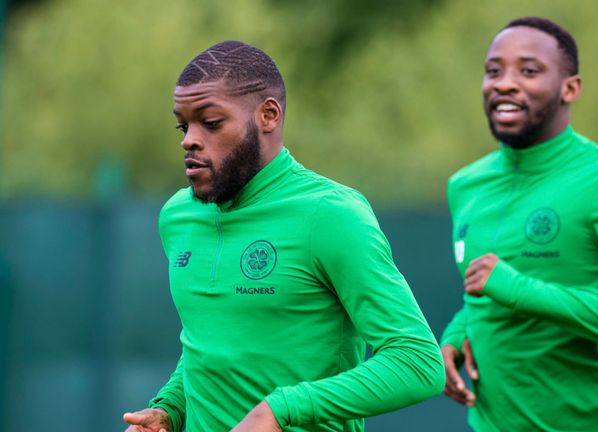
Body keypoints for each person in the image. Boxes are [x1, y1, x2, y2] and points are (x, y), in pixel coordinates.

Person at [123, 40, 444, 432]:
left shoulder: (330, 215)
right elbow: (209, 345)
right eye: (182, 124)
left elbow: (418, 362)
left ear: (268, 115)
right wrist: (171, 409)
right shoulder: (178, 217)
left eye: (210, 123)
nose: (188, 139)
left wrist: (281, 409)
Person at [440, 17, 598, 431]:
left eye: (529, 70)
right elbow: (483, 289)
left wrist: (517, 289)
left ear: (570, 88)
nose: (505, 83)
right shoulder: (465, 185)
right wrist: (455, 337)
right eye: (494, 70)